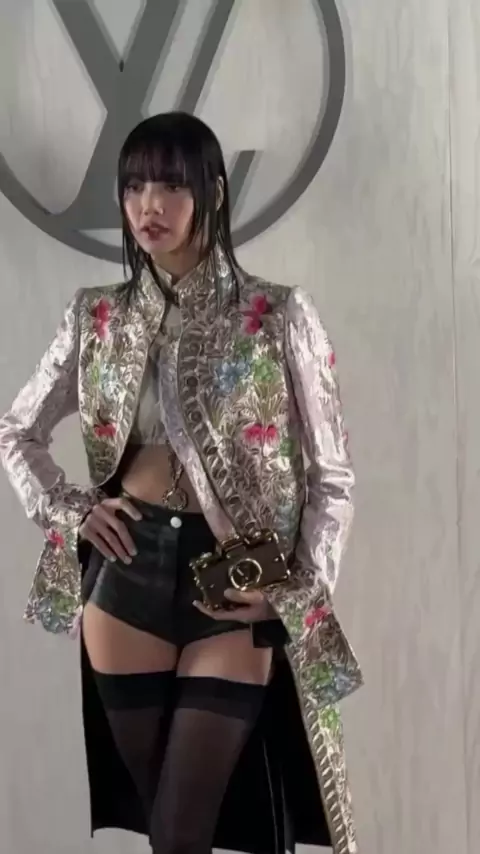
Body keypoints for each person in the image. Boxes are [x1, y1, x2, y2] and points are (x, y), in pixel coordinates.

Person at [0, 111, 363, 854]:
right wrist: (69, 510)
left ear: (214, 194)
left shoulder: (277, 315)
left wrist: (300, 586)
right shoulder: (96, 317)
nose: (149, 206)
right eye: (134, 186)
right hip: (125, 578)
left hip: (230, 587)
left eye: (170, 185)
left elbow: (331, 477)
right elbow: (16, 431)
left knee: (183, 828)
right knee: (167, 832)